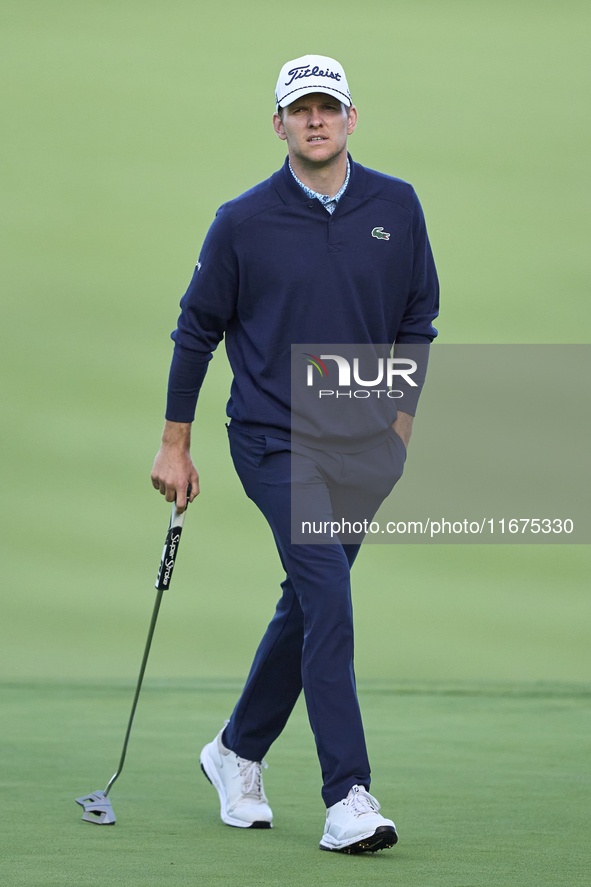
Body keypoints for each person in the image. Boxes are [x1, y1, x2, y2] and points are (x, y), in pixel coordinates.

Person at [151, 54, 439, 853]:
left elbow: (419, 317)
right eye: (299, 109)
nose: (315, 120)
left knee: (312, 598)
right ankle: (348, 794)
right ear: (277, 124)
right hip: (273, 441)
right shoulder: (241, 221)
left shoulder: (397, 206)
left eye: (328, 107)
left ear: (351, 119)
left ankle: (235, 749)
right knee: (329, 596)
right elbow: (195, 331)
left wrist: (402, 428)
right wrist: (175, 445)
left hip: (364, 443)